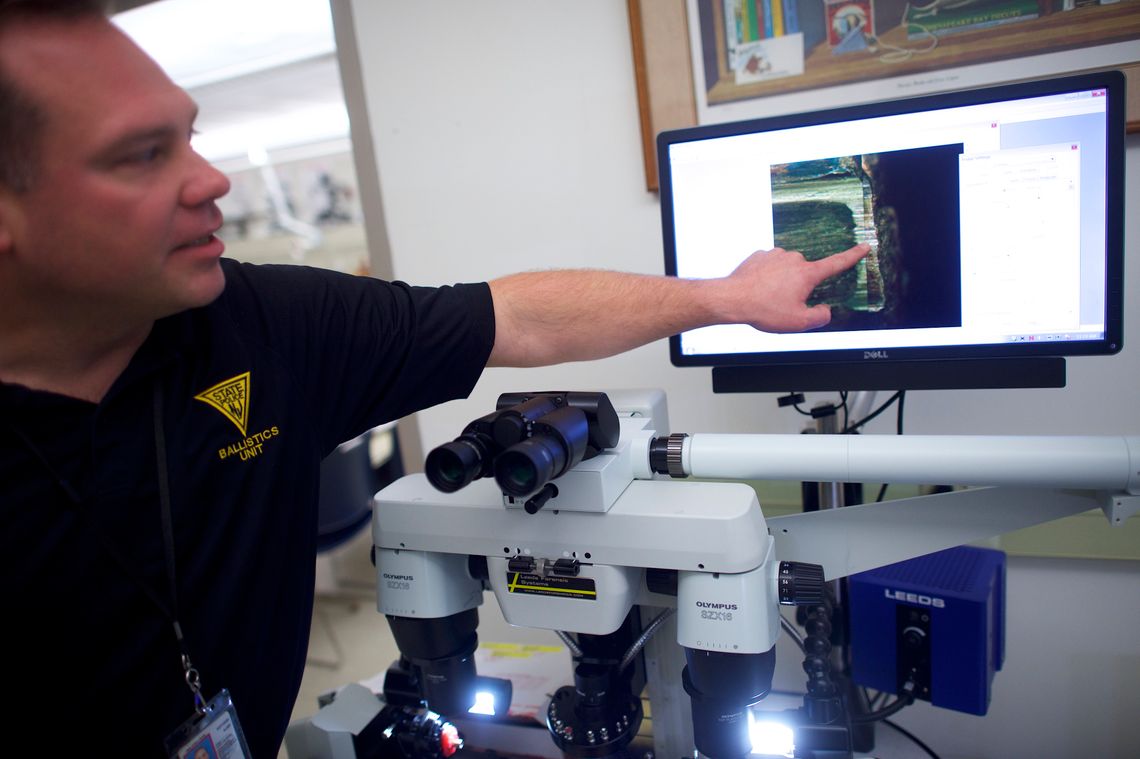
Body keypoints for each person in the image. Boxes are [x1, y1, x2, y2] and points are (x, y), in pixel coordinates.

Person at [0, 1, 867, 755]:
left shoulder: (254, 323)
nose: (211, 179)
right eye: (141, 156)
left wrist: (727, 296)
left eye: (189, 135)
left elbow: (518, 316)